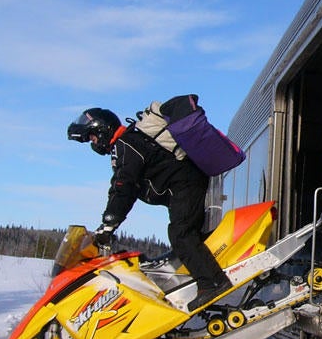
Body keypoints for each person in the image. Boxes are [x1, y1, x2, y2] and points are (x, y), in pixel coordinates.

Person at [67, 107, 230, 311]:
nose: (93, 142)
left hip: (185, 184)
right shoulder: (128, 143)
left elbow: (123, 187)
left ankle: (213, 283)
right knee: (185, 234)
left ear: (103, 130)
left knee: (181, 234)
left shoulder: (125, 145)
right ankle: (202, 276)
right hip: (185, 184)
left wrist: (109, 223)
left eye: (92, 137)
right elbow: (122, 186)